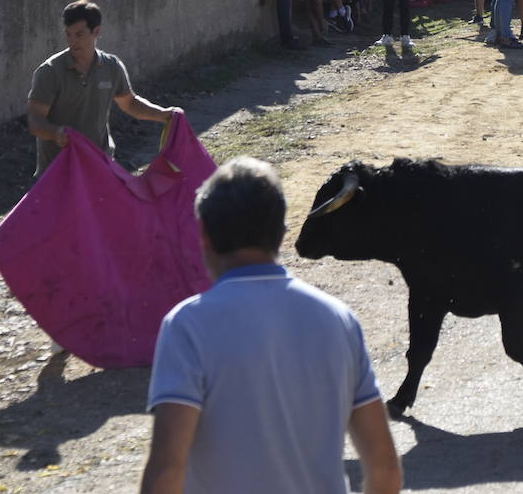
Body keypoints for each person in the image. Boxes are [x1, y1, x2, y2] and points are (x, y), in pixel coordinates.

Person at [140, 157, 401, 494]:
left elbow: (167, 469)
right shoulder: (338, 320)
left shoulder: (187, 326)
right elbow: (385, 468)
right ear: (281, 232)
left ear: (202, 232)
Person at [26, 0, 179, 177]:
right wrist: (55, 133)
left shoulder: (111, 67)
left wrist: (165, 115)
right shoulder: (50, 71)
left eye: (79, 34)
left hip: (100, 169)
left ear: (96, 31)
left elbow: (130, 103)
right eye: (68, 34)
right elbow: (35, 120)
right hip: (58, 172)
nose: (72, 41)